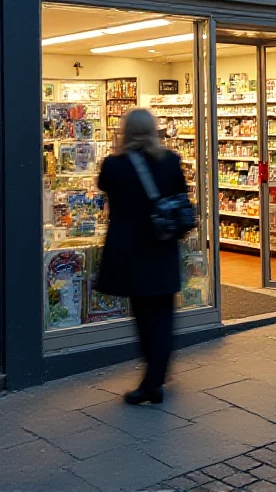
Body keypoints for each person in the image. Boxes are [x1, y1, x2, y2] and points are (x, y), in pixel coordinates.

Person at [96, 108, 187, 404]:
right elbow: (182, 198)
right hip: (162, 247)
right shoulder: (171, 162)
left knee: (142, 315)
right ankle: (156, 376)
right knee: (163, 314)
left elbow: (103, 187)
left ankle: (152, 380)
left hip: (131, 252)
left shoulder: (115, 165)